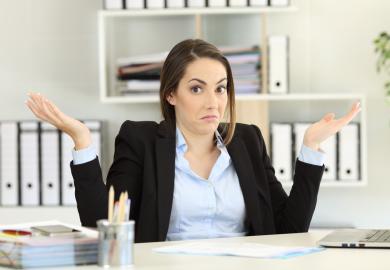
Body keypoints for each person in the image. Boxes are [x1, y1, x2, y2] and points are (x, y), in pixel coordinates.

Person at [26, 39, 361, 243]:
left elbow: (290, 229)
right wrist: (82, 141)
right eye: (197, 88)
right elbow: (103, 228)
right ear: (171, 94)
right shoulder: (140, 139)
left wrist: (311, 149)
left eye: (221, 88)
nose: (213, 102)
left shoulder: (247, 140)